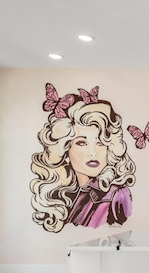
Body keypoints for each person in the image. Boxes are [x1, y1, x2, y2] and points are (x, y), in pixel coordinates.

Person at [30, 84, 136, 233]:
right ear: (65, 149)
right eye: (82, 143)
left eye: (100, 143)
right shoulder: (65, 196)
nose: (93, 153)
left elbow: (121, 238)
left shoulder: (117, 194)